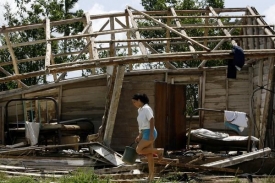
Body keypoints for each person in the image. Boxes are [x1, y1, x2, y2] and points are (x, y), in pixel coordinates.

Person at [132, 93, 164, 182]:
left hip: (150, 132)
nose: (134, 104)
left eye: (134, 102)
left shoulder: (146, 108)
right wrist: (139, 135)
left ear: (139, 100)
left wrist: (150, 133)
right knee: (149, 156)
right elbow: (141, 125)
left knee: (138, 150)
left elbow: (152, 119)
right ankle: (151, 177)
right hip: (145, 132)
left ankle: (158, 151)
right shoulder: (140, 110)